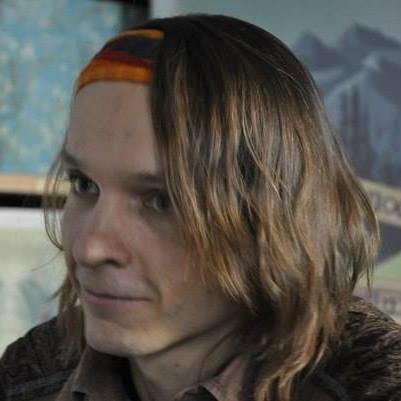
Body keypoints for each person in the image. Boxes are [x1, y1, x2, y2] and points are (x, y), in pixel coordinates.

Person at [1, 14, 401, 401]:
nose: (90, 249)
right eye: (84, 185)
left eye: (161, 200)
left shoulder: (373, 384)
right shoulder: (32, 373)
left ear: (272, 214)